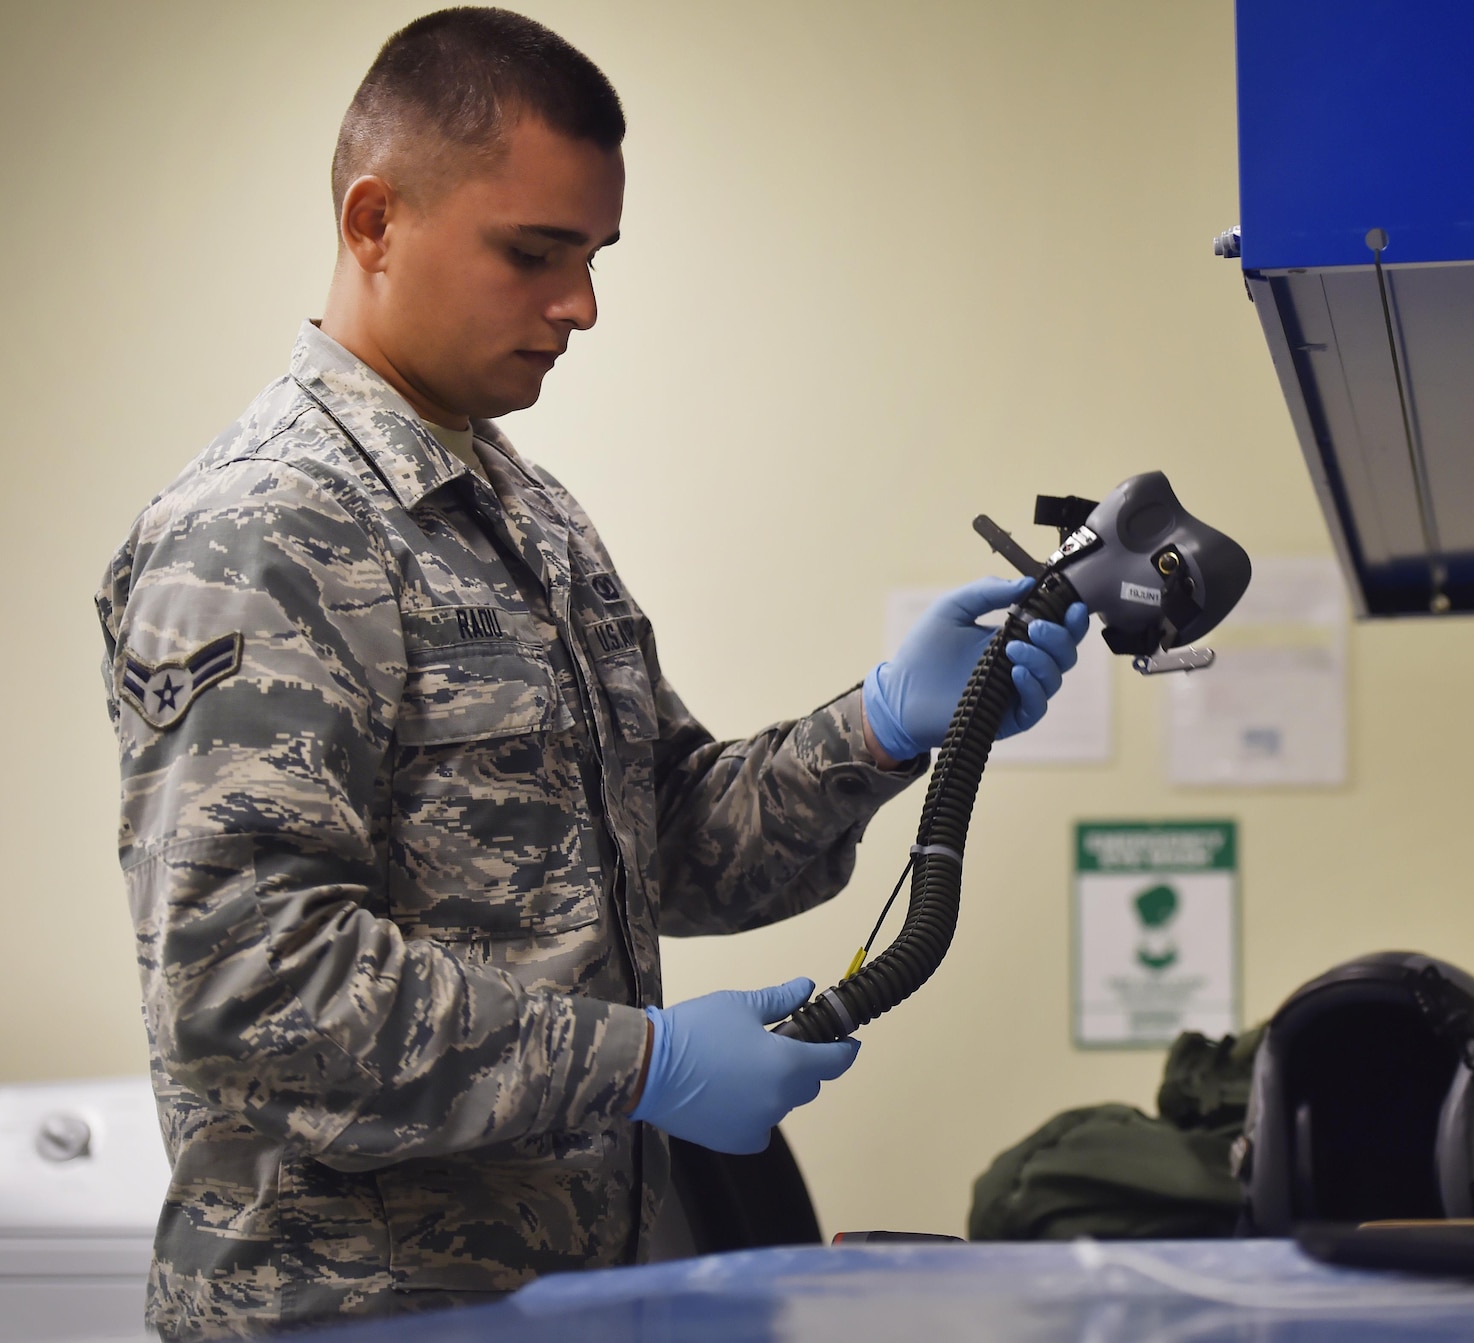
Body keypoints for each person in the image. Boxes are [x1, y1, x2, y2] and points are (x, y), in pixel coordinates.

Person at [94, 9, 1088, 1338]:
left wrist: (894, 725)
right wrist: (646, 1066)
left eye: (595, 257)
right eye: (533, 254)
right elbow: (252, 991)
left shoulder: (530, 516)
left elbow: (670, 843)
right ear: (375, 222)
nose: (580, 306)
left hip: (569, 1298)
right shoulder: (262, 533)